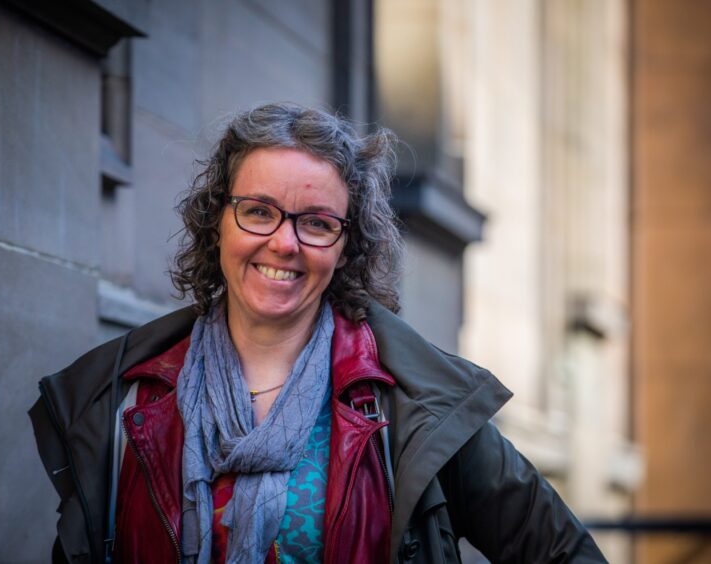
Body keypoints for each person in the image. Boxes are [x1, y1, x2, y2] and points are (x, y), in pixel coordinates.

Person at [30, 103, 606, 564]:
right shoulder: (126, 399)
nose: (285, 243)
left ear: (347, 246)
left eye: (316, 223)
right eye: (258, 211)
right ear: (217, 223)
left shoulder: (412, 405)